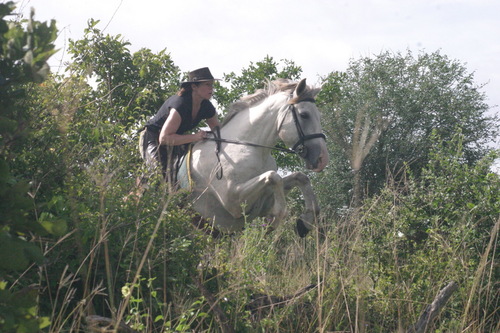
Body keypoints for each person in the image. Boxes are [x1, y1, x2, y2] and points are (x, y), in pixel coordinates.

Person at [139, 67, 221, 187]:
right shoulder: (180, 104)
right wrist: (195, 137)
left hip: (175, 140)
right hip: (153, 137)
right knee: (158, 175)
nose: (211, 88)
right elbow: (164, 138)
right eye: (207, 84)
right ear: (194, 87)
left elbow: (218, 131)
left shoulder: (206, 106)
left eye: (212, 85)